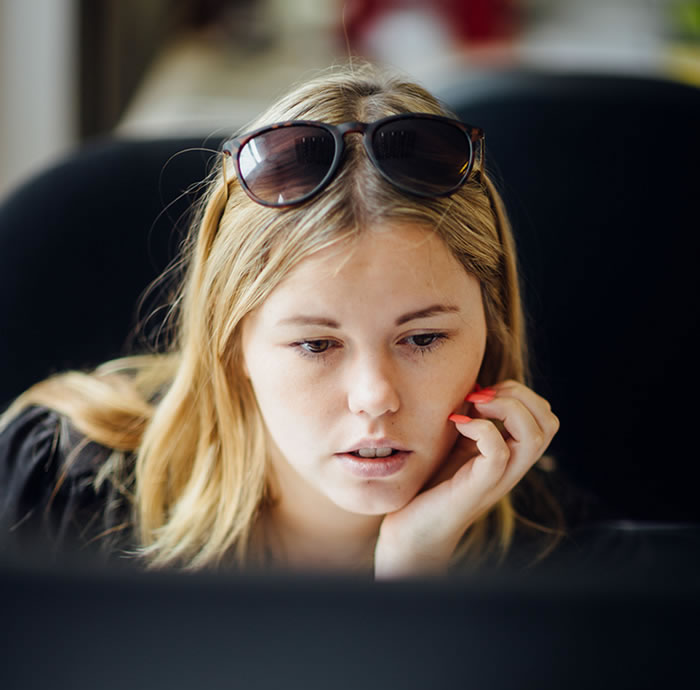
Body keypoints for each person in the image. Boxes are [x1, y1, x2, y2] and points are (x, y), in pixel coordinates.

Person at [0, 61, 565, 577]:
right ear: (232, 341)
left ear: (490, 325)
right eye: (317, 345)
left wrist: (412, 577)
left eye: (422, 337)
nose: (374, 397)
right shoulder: (57, 487)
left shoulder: (554, 553)